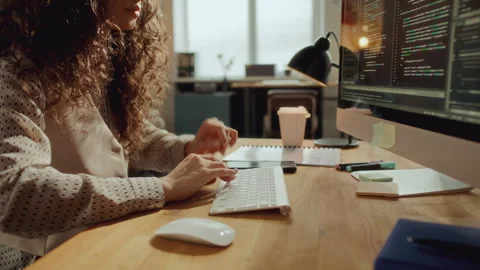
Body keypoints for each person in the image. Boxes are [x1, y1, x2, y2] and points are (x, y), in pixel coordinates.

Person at [0, 0, 238, 268]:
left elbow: (122, 138)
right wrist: (162, 188)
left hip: (100, 242)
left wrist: (185, 149)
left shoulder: (95, 51)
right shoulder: (14, 69)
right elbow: (12, 194)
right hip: (42, 258)